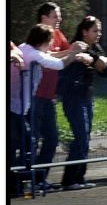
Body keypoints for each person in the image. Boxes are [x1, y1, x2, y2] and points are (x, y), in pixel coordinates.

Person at [10, 25, 91, 196]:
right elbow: (59, 64)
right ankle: (16, 180)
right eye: (51, 40)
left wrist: (71, 53)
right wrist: (73, 52)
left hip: (18, 105)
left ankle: (17, 181)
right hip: (14, 106)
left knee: (21, 143)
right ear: (44, 41)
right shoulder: (33, 54)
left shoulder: (27, 48)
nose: (53, 43)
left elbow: (50, 55)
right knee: (24, 143)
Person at [32, 2, 88, 188]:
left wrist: (79, 55)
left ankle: (40, 179)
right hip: (34, 96)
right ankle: (23, 179)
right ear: (44, 18)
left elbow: (67, 54)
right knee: (28, 140)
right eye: (55, 16)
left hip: (49, 96)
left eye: (59, 15)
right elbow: (47, 57)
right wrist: (73, 52)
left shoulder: (59, 34)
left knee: (52, 138)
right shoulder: (39, 35)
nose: (60, 19)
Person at [59, 16, 107, 190]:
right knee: (81, 135)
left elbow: (105, 71)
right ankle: (69, 179)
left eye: (100, 31)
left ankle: (79, 177)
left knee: (86, 136)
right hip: (73, 96)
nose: (99, 34)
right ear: (85, 32)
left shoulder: (94, 47)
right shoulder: (77, 46)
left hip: (86, 95)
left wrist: (98, 60)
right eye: (95, 31)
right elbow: (98, 62)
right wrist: (97, 60)